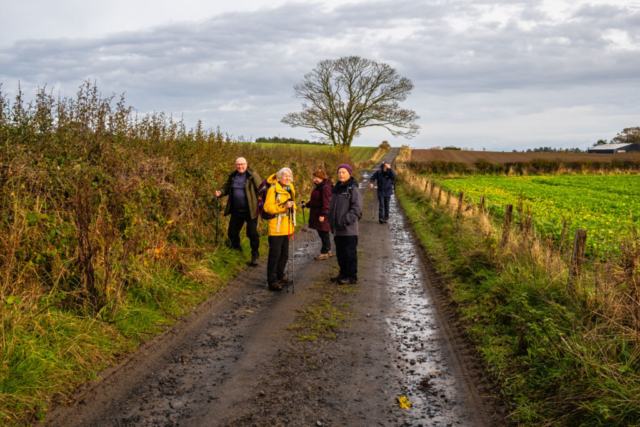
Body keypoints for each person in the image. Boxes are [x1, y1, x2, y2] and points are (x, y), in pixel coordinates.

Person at [215, 157, 262, 266]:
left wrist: (263, 205)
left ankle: (255, 254)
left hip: (251, 211)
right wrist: (220, 192)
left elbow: (261, 190)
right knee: (232, 233)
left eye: (242, 164)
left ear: (246, 164)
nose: (240, 167)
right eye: (238, 164)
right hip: (237, 211)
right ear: (235, 165)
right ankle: (237, 249)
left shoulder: (252, 176)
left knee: (252, 233)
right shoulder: (232, 177)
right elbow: (226, 188)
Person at [328, 164, 363, 285]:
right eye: (339, 172)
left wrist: (345, 220)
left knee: (349, 253)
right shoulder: (337, 188)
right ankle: (343, 273)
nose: (341, 174)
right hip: (337, 228)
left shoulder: (352, 189)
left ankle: (351, 276)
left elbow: (356, 208)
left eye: (343, 172)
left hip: (349, 229)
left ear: (349, 174)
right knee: (340, 253)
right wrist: (330, 219)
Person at [263, 167, 297, 291]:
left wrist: (294, 208)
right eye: (285, 176)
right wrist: (284, 206)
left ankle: (280, 275)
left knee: (284, 254)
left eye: (290, 176)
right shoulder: (273, 189)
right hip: (276, 227)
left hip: (287, 226)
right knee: (275, 255)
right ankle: (272, 281)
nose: (288, 178)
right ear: (279, 177)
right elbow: (267, 207)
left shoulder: (290, 187)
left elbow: (293, 202)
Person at [301, 169, 334, 260]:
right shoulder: (320, 186)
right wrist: (307, 204)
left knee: (323, 232)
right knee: (323, 232)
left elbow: (326, 202)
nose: (315, 179)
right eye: (314, 177)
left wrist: (323, 214)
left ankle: (325, 252)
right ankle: (328, 250)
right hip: (317, 212)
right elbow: (315, 200)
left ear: (322, 177)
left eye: (317, 177)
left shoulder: (325, 187)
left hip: (321, 213)